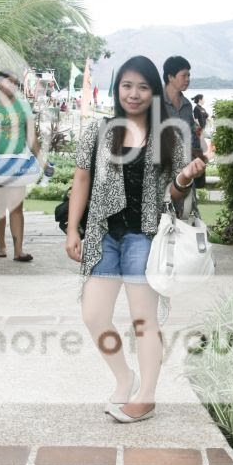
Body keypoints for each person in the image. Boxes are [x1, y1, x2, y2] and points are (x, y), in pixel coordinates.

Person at [65, 55, 206, 424]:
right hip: (103, 234)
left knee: (144, 320)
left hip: (144, 236)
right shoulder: (98, 131)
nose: (133, 93)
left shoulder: (170, 135)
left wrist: (185, 179)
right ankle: (125, 378)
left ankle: (147, 396)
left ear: (154, 92)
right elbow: (81, 179)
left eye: (142, 87)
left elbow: (174, 195)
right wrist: (73, 229)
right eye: (127, 86)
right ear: (117, 90)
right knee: (94, 315)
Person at [0, 71, 45, 262]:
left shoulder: (23, 106)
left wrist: (41, 160)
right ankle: (1, 246)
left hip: (18, 161)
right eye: (9, 82)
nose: (13, 86)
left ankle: (18, 250)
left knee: (16, 207)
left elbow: (31, 136)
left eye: (16, 83)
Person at [162, 56, 205, 189]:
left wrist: (198, 149)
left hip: (186, 168)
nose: (187, 79)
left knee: (188, 201)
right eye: (184, 75)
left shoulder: (187, 104)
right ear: (170, 77)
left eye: (189, 75)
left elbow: (191, 131)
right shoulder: (154, 102)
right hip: (162, 169)